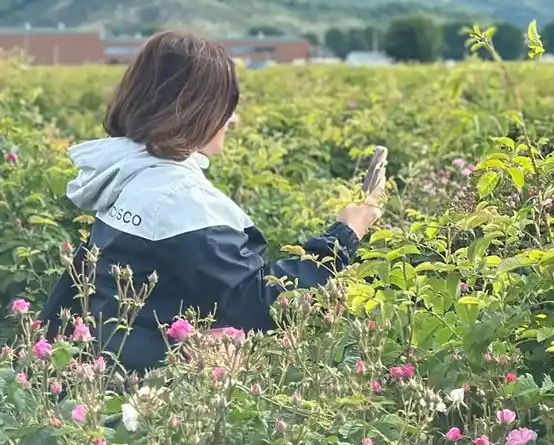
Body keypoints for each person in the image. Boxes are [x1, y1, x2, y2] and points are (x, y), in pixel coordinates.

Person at [40, 30, 384, 372]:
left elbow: (85, 292)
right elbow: (262, 305)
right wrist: (345, 234)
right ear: (194, 109)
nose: (232, 119)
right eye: (227, 104)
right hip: (147, 394)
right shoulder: (180, 199)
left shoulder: (128, 175)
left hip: (109, 375)